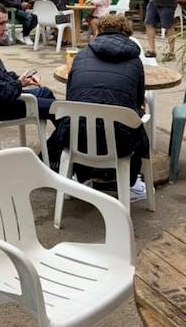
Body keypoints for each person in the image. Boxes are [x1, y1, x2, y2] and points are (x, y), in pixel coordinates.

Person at [51, 14, 148, 200]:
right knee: (135, 120)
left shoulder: (80, 56)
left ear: (98, 31)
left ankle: (82, 177)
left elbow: (71, 96)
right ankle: (132, 184)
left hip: (76, 138)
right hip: (121, 143)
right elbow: (137, 101)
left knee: (81, 116)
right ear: (127, 33)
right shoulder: (135, 61)